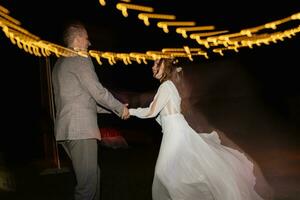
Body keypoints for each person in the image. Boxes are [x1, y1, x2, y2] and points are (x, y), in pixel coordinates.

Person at [129, 58, 273, 200]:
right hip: (176, 132)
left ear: (165, 65)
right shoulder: (169, 86)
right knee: (182, 172)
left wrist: (129, 112)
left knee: (164, 173)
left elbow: (151, 112)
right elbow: (167, 115)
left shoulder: (166, 86)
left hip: (176, 135)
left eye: (156, 64)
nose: (152, 67)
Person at [52, 21, 129, 200]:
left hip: (66, 130)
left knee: (93, 177)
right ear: (78, 39)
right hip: (81, 132)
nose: (89, 43)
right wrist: (119, 108)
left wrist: (114, 111)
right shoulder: (80, 59)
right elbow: (98, 92)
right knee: (87, 187)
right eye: (87, 38)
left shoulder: (59, 64)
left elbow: (84, 101)